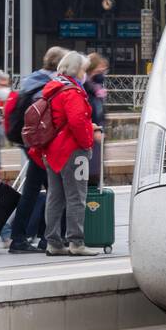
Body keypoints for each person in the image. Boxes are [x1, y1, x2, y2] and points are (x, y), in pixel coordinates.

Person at [5, 46, 66, 253]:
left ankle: (21, 238)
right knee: (55, 194)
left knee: (33, 193)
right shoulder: (49, 87)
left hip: (31, 145)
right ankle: (43, 238)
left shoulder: (31, 80)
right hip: (44, 147)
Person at [41, 51, 100, 257]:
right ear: (77, 70)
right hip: (73, 151)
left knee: (55, 197)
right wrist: (88, 143)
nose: (85, 73)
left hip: (52, 151)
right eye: (84, 69)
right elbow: (76, 121)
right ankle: (76, 242)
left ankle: (54, 242)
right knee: (77, 197)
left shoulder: (52, 89)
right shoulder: (73, 92)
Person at [83, 52, 108, 189]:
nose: (103, 72)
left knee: (96, 171)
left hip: (98, 134)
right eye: (100, 68)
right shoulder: (86, 87)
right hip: (91, 135)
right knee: (91, 173)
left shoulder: (96, 87)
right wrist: (94, 129)